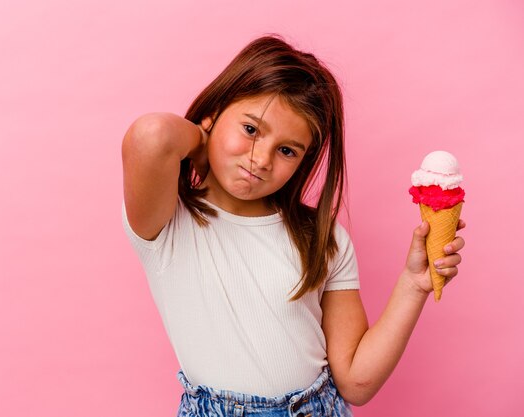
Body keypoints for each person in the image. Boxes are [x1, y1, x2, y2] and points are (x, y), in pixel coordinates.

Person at [121, 35, 465, 417]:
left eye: (287, 150)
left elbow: (355, 381)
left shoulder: (323, 238)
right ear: (214, 113)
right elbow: (151, 136)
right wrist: (203, 141)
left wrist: (413, 285)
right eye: (251, 130)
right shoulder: (168, 223)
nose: (262, 159)